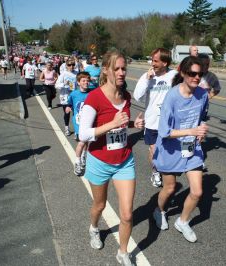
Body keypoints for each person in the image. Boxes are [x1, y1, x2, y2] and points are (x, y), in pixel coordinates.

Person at [79, 50, 144, 266]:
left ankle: (123, 253)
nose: (121, 72)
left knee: (126, 214)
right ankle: (94, 228)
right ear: (105, 70)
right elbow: (83, 134)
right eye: (116, 68)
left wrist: (134, 124)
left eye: (124, 68)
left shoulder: (125, 96)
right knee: (100, 205)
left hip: (124, 161)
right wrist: (111, 124)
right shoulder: (94, 97)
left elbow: (122, 123)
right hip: (99, 161)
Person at [152, 56, 209, 243]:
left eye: (200, 74)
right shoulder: (172, 97)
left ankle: (183, 221)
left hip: (192, 148)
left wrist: (201, 131)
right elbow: (164, 132)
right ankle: (159, 210)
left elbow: (202, 117)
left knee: (198, 192)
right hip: (170, 149)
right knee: (169, 188)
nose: (196, 77)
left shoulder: (203, 94)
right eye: (192, 73)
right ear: (183, 73)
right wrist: (191, 130)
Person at [133, 48, 177, 187]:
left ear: (165, 62)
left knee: (168, 151)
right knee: (154, 150)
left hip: (170, 122)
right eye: (152, 60)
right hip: (152, 122)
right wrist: (147, 80)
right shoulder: (147, 76)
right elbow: (137, 97)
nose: (152, 63)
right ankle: (155, 171)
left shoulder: (174, 75)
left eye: (156, 61)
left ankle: (167, 170)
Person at [66, 72, 91, 176]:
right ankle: (77, 162)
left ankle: (84, 155)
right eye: (83, 81)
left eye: (87, 80)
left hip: (90, 121)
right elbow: (70, 102)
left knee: (86, 142)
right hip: (78, 123)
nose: (86, 82)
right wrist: (68, 107)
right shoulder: (74, 94)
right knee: (81, 142)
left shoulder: (92, 93)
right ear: (78, 82)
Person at [55, 59, 78, 136]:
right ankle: (66, 128)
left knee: (76, 113)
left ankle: (76, 130)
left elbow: (78, 84)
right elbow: (57, 85)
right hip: (65, 96)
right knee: (67, 113)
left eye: (73, 65)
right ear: (66, 66)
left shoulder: (76, 73)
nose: (71, 66)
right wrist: (64, 84)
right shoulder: (63, 74)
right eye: (69, 65)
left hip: (74, 96)